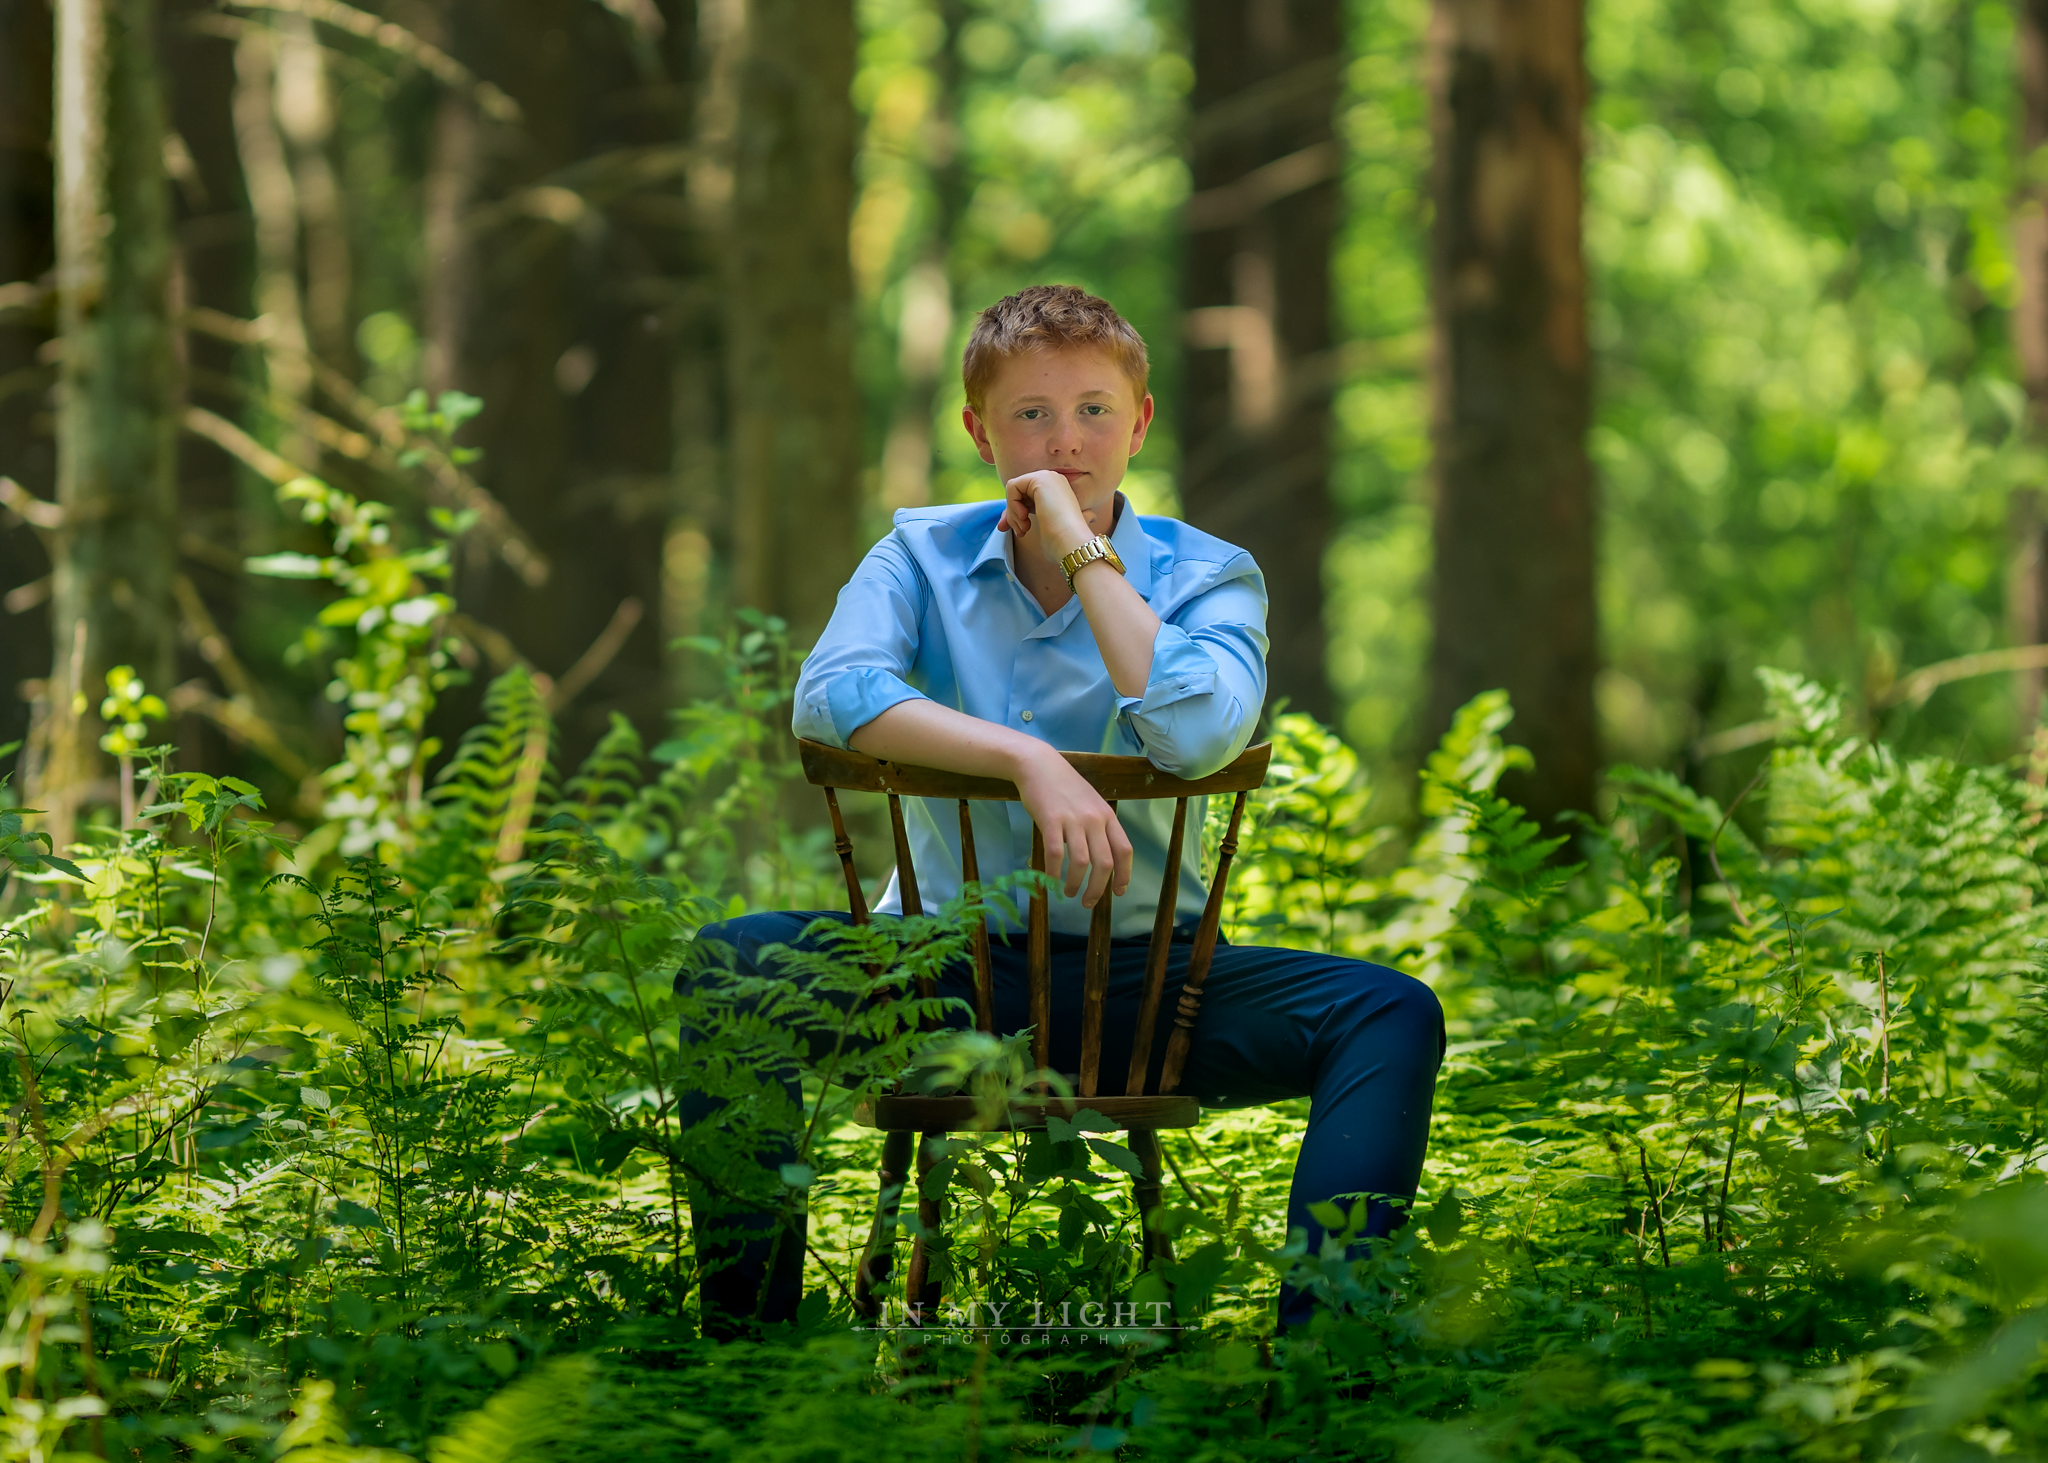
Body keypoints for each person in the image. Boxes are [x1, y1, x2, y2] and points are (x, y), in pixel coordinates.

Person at [680, 284, 1443, 1336]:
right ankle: (746, 1360)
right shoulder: (917, 556)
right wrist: (1026, 758)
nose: (1065, 441)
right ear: (978, 431)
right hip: (937, 979)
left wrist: (1083, 549)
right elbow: (830, 692)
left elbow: (1197, 733)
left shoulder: (1211, 573)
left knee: (1389, 1010)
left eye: (1092, 410)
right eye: (1031, 413)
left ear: (1139, 422)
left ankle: (1328, 1360)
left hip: (1149, 992)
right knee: (730, 964)